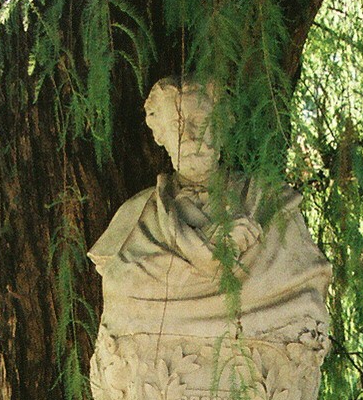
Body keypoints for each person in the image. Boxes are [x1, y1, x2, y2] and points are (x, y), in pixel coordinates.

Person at [89, 79, 330, 344]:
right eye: (176, 126)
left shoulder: (269, 202)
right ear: (160, 135)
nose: (190, 136)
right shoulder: (136, 215)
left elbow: (302, 283)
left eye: (201, 120)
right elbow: (121, 285)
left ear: (223, 125)